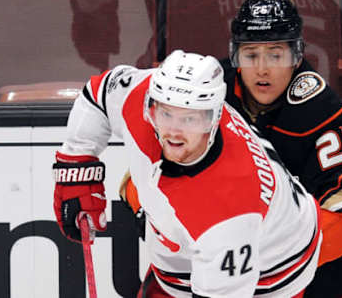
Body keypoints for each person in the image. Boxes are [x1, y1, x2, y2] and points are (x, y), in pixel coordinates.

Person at [53, 50, 322, 297]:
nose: (174, 133)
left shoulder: (230, 210)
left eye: (190, 119)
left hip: (277, 262)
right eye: (166, 114)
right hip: (195, 232)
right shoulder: (140, 97)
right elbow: (98, 94)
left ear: (214, 119)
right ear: (152, 105)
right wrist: (77, 164)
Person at [223, 0, 342, 297]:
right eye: (251, 55)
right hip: (234, 254)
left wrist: (283, 263)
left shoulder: (316, 105)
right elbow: (150, 169)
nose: (262, 69)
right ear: (235, 57)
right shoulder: (209, 93)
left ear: (297, 56)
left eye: (276, 55)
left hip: (323, 257)